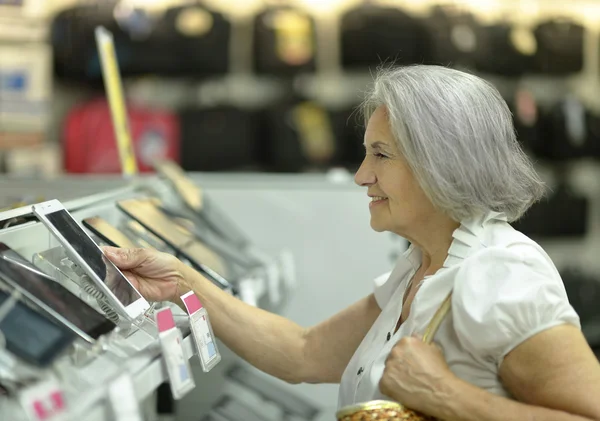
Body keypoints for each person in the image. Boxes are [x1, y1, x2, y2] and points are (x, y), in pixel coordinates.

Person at [104, 65, 600, 420]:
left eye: (380, 155)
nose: (362, 176)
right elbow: (302, 353)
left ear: (442, 164)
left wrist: (447, 397)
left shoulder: (502, 275)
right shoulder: (422, 266)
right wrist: (183, 283)